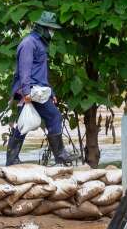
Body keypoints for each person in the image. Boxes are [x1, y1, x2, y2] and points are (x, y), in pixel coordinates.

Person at [7, 11, 78, 166]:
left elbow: (41, 73)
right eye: (49, 29)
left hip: (37, 90)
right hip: (30, 90)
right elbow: (24, 70)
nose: (52, 32)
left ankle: (11, 160)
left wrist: (50, 92)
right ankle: (60, 155)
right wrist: (26, 92)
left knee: (22, 123)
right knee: (54, 117)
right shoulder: (28, 43)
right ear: (41, 28)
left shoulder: (39, 44)